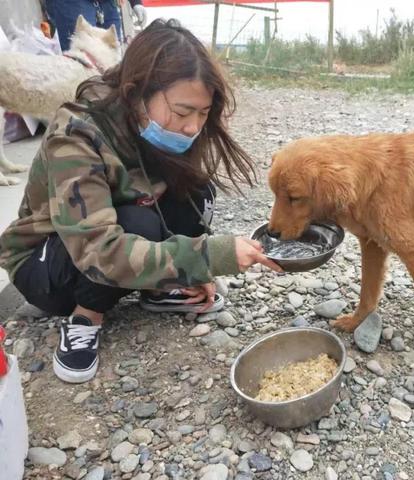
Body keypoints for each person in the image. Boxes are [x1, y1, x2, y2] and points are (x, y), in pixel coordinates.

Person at [0, 19, 282, 384]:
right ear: (136, 94)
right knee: (138, 224)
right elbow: (98, 249)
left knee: (196, 190)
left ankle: (157, 287)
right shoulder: (77, 135)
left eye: (203, 113)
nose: (193, 127)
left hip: (106, 238)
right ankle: (86, 317)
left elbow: (179, 200)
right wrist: (208, 256)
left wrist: (190, 270)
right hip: (46, 262)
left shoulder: (159, 128)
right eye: (182, 112)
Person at [45, 0, 147, 51]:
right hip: (73, 2)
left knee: (113, 57)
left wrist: (136, 2)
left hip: (106, 3)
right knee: (82, 59)